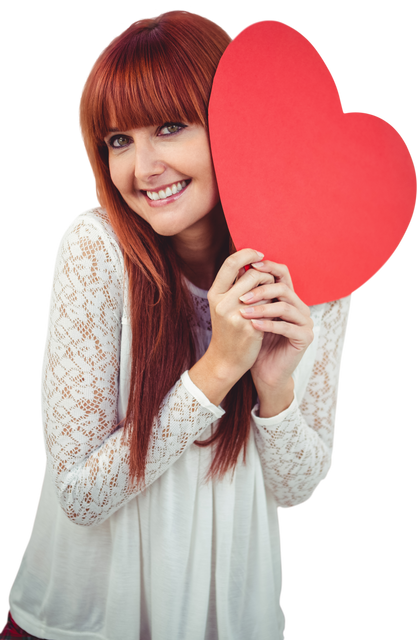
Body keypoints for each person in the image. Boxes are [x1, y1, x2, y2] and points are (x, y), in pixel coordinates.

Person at [2, 8, 354, 640]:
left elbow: (296, 488)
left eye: (169, 127)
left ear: (234, 125)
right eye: (119, 140)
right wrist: (218, 369)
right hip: (80, 623)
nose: (143, 169)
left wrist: (274, 390)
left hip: (229, 621)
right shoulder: (95, 249)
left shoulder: (308, 264)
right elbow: (80, 493)